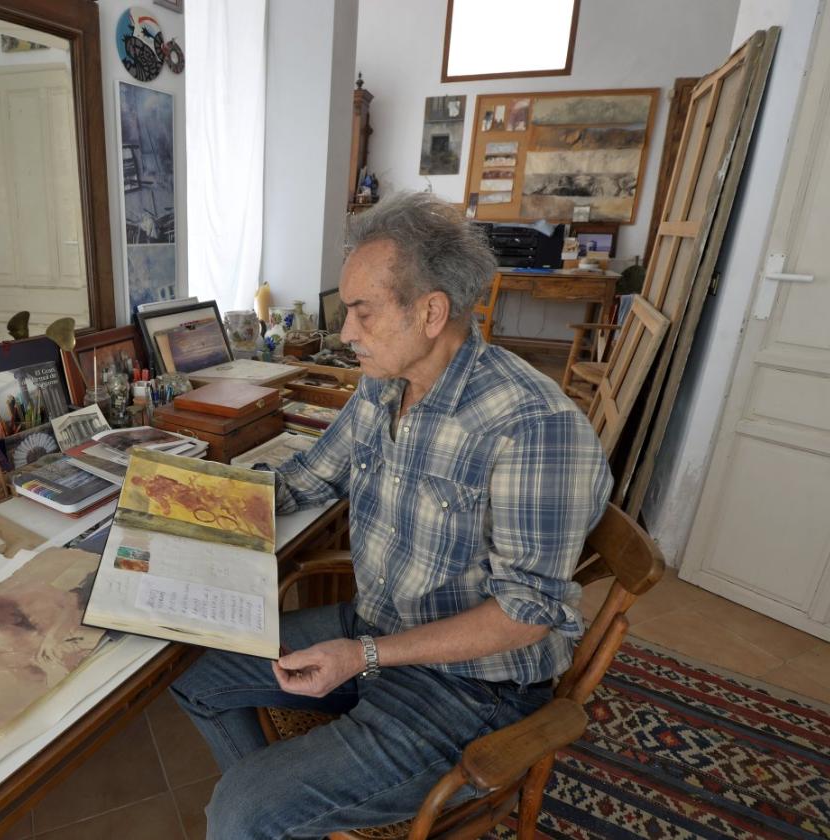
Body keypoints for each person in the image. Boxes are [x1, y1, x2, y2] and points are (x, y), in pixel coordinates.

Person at [169, 191, 612, 839]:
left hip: (468, 689)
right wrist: (184, 505)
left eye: (362, 312)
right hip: (377, 628)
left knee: (241, 808)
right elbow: (307, 478)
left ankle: (274, 809)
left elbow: (525, 616)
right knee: (197, 678)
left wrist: (365, 654)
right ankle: (297, 809)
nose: (346, 333)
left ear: (431, 311)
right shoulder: (385, 383)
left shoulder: (532, 427)